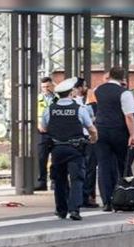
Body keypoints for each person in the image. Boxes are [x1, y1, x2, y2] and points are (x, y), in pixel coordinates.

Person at [40, 77, 98, 221]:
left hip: (57, 149)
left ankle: (61, 210)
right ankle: (74, 210)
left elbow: (43, 128)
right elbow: (91, 129)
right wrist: (93, 139)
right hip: (75, 149)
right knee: (77, 179)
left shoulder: (50, 109)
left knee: (59, 179)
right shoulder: (80, 109)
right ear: (71, 93)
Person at [93, 67, 134, 212]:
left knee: (104, 166)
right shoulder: (124, 93)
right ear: (123, 77)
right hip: (119, 131)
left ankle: (107, 201)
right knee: (123, 165)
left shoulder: (97, 90)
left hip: (101, 131)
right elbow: (129, 116)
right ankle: (122, 197)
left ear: (110, 76)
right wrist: (132, 135)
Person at [72, 77, 99, 208]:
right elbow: (94, 117)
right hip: (86, 138)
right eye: (84, 86)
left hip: (77, 139)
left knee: (82, 168)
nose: (86, 88)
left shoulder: (72, 102)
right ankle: (86, 196)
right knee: (89, 168)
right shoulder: (85, 102)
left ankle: (83, 197)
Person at [35, 77, 58, 191]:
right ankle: (41, 182)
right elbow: (32, 114)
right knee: (41, 157)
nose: (46, 89)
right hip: (42, 132)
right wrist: (38, 124)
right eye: (43, 87)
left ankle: (54, 181)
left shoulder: (58, 99)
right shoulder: (37, 99)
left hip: (56, 131)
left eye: (48, 86)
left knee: (56, 157)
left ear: (52, 86)